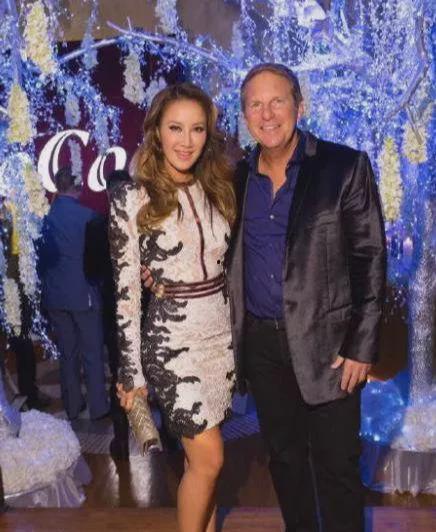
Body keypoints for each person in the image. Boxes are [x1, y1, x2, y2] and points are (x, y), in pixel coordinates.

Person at [226, 64, 387, 532]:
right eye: (255, 104)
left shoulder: (344, 167)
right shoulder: (235, 179)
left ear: (300, 106)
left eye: (277, 101)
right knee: (285, 461)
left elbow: (370, 257)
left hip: (331, 349)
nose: (267, 114)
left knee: (338, 467)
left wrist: (361, 345)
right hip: (262, 347)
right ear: (245, 115)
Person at [111, 83, 236, 532]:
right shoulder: (132, 198)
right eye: (175, 128)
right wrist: (132, 375)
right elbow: (126, 295)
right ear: (156, 132)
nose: (186, 140)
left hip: (221, 342)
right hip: (171, 343)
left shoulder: (219, 187)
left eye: (197, 129)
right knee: (211, 458)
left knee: (202, 467)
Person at [39, 167, 109, 421]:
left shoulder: (44, 218)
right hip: (83, 294)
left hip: (55, 297)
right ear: (77, 187)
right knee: (92, 353)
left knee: (67, 354)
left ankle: (72, 405)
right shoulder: (89, 217)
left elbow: (41, 261)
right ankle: (98, 407)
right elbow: (100, 261)